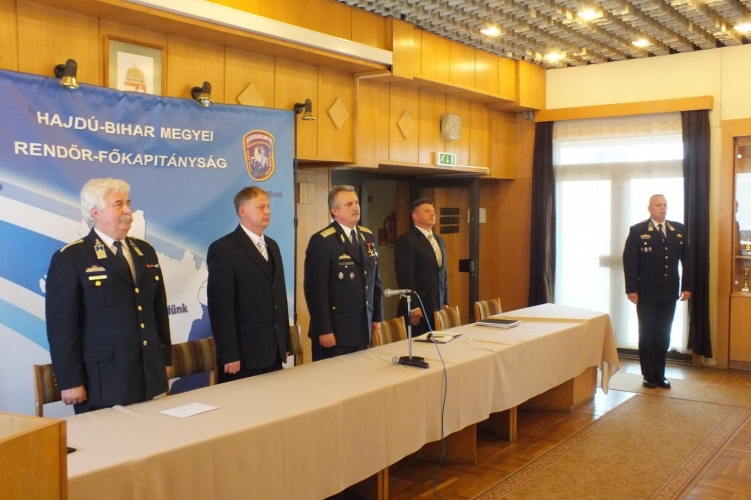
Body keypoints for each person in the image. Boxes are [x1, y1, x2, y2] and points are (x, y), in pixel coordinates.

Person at [45, 178, 172, 413]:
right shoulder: (72, 257)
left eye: (128, 203)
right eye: (118, 204)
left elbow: (157, 310)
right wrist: (71, 381)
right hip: (102, 381)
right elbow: (62, 328)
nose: (128, 210)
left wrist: (164, 358)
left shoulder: (144, 251)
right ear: (96, 212)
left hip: (147, 374)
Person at [207, 186, 290, 382]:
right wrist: (229, 354)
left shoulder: (272, 246)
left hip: (273, 350)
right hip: (244, 354)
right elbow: (220, 308)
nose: (268, 212)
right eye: (261, 207)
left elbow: (278, 297)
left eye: (268, 207)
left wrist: (284, 342)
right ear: (243, 211)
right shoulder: (224, 249)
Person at [304, 185, 383, 360]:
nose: (355, 207)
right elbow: (315, 291)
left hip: (362, 326)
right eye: (349, 204)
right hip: (335, 331)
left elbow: (374, 281)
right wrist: (324, 329)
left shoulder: (367, 236)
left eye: (356, 203)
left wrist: (376, 316)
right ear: (334, 210)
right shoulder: (323, 240)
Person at [623, 194, 692, 390]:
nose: (662, 208)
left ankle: (660, 374)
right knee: (647, 334)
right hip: (646, 292)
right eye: (658, 205)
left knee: (663, 335)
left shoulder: (678, 230)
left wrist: (687, 286)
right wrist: (631, 289)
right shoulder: (638, 230)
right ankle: (648, 375)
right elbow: (630, 261)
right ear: (649, 208)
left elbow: (687, 260)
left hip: (669, 291)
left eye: (665, 205)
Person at [394, 198, 449, 336]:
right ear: (415, 216)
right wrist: (413, 306)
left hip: (437, 304)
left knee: (436, 343)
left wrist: (445, 300)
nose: (432, 214)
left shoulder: (439, 239)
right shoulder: (407, 240)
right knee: (417, 344)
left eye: (433, 211)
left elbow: (443, 273)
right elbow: (405, 277)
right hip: (418, 306)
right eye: (427, 211)